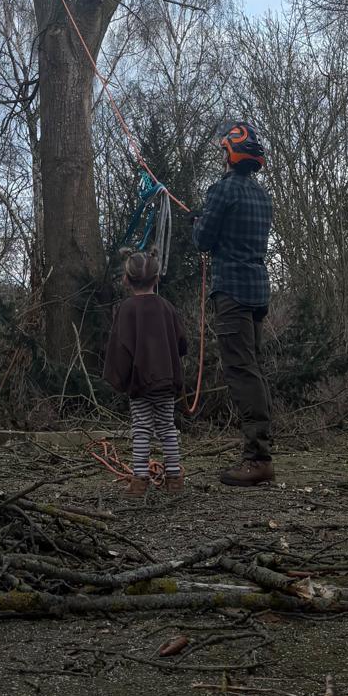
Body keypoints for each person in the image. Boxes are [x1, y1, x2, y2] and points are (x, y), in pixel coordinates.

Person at [193, 120, 275, 486]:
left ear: (229, 154)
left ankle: (257, 458)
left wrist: (199, 221)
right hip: (257, 291)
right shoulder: (262, 196)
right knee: (252, 368)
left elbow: (203, 240)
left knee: (241, 372)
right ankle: (259, 452)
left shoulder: (223, 191)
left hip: (232, 292)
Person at [103, 250, 189, 497]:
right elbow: (182, 343)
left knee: (141, 429)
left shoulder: (127, 309)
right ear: (156, 278)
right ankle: (175, 479)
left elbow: (120, 348)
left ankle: (139, 481)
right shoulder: (166, 307)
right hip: (166, 381)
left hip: (140, 384)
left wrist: (121, 379)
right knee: (167, 427)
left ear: (126, 279)